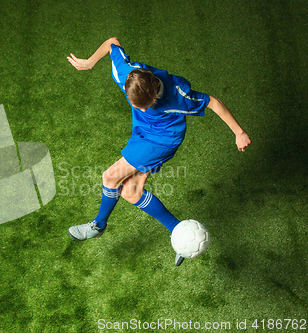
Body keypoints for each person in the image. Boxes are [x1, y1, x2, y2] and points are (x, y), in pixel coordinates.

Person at [66, 37, 252, 266]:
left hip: (163, 139)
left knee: (110, 177)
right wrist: (90, 62)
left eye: (144, 105)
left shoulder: (177, 96)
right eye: (135, 104)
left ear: (155, 93)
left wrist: (239, 132)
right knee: (131, 192)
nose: (139, 108)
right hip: (142, 131)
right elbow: (112, 42)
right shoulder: (127, 74)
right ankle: (177, 232)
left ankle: (98, 225)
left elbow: (213, 102)